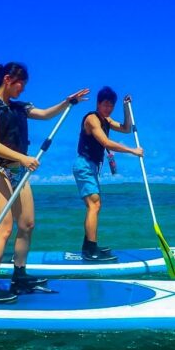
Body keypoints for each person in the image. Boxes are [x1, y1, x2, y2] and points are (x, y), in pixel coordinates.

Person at [0, 62, 89, 302]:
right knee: (5, 228)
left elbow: (46, 114)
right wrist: (23, 158)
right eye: (21, 85)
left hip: (19, 171)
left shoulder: (20, 108)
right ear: (8, 79)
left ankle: (19, 276)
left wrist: (67, 102)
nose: (22, 90)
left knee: (27, 224)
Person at [72, 86, 143, 261]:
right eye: (105, 105)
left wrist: (126, 108)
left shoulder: (106, 120)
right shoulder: (92, 119)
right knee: (94, 205)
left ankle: (88, 246)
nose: (108, 109)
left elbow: (126, 128)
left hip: (92, 167)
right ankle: (90, 250)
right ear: (98, 103)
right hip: (84, 165)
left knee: (95, 206)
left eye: (111, 106)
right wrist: (133, 151)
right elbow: (106, 142)